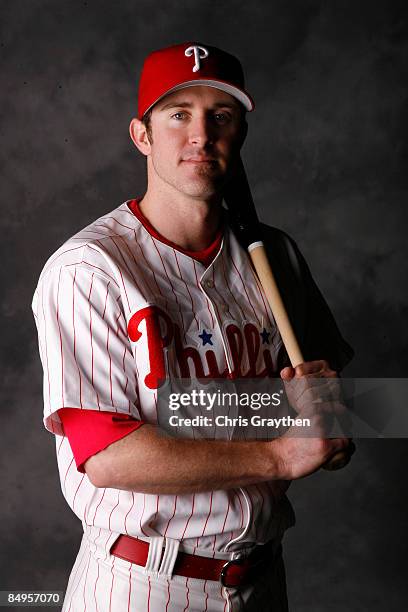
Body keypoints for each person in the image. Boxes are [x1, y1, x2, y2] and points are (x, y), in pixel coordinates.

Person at [32, 42, 354, 611]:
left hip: (263, 577)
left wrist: (330, 417)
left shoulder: (274, 255)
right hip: (142, 583)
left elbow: (336, 404)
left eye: (220, 116)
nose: (201, 134)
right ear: (142, 136)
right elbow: (107, 454)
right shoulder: (89, 268)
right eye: (179, 114)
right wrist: (282, 452)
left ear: (241, 134)